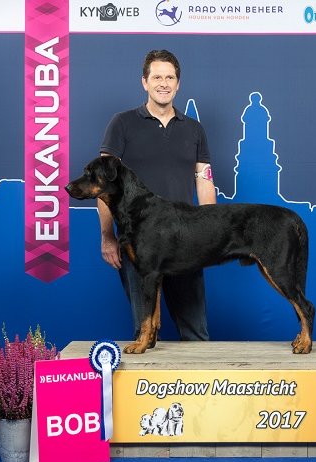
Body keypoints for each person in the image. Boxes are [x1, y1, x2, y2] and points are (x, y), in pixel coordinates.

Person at [98, 49, 216, 342]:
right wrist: (107, 236)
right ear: (145, 82)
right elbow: (104, 184)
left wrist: (209, 232)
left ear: (178, 83)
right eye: (157, 77)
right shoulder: (121, 123)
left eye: (170, 77)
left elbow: (204, 181)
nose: (164, 83)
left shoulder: (195, 129)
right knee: (145, 334)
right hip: (136, 241)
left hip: (186, 239)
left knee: (196, 333)